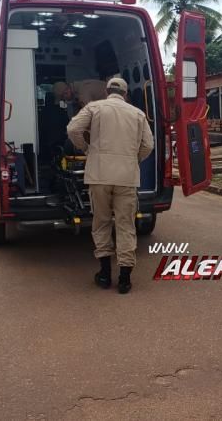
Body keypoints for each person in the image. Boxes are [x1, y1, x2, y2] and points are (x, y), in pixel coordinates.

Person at [67, 77, 154, 294]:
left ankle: (104, 274)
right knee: (125, 225)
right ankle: (124, 279)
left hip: (99, 175)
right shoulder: (137, 114)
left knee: (101, 222)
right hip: (126, 177)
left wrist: (87, 149)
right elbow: (148, 145)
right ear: (125, 94)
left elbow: (73, 129)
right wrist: (133, 159)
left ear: (107, 91)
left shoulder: (94, 107)